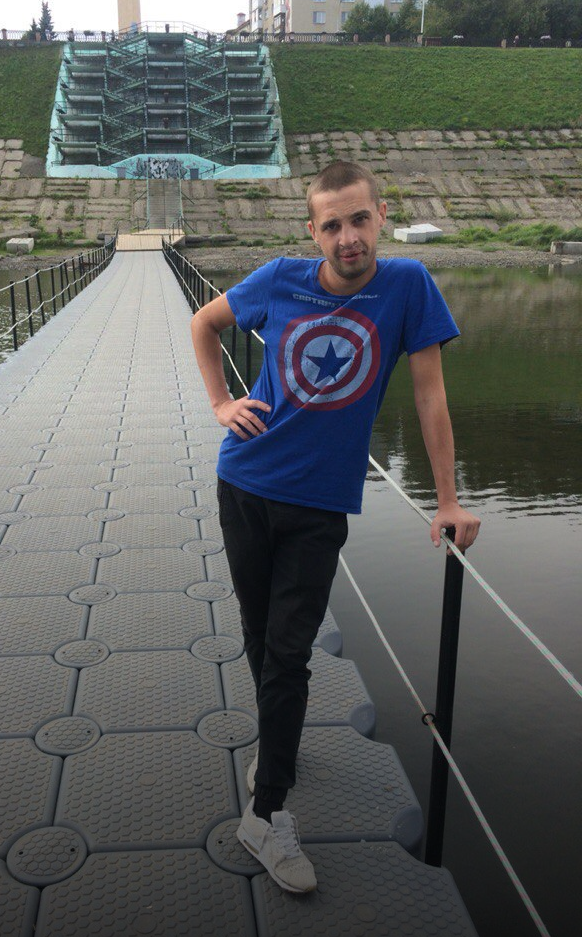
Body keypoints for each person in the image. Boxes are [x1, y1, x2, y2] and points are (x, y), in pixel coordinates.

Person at [190, 160, 481, 894]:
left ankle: (265, 813)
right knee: (261, 634)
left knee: (289, 650)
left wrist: (448, 500)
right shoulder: (279, 278)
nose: (348, 237)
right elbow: (205, 323)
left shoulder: (407, 285)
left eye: (358, 219)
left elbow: (431, 398)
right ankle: (276, 747)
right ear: (312, 231)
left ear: (381, 216)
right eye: (332, 225)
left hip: (320, 505)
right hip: (246, 483)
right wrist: (222, 403)